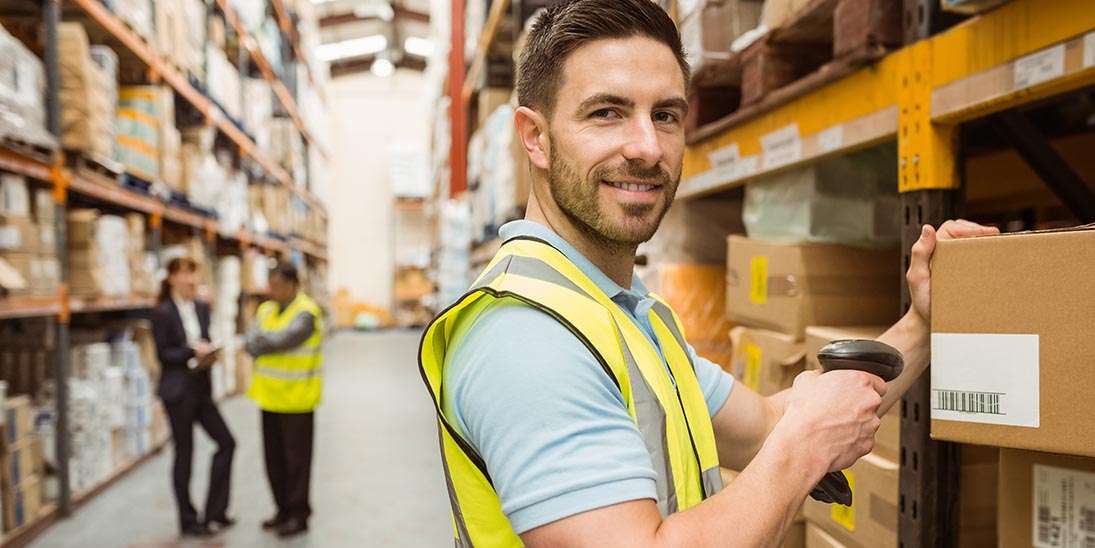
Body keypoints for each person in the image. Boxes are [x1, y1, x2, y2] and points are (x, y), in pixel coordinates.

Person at [418, 1, 1001, 546]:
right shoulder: (528, 339)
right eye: (607, 113)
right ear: (536, 137)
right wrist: (802, 450)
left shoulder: (617, 314)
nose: (646, 147)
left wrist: (920, 323)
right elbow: (788, 442)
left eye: (665, 115)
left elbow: (771, 424)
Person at [151, 256, 236, 538]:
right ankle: (188, 521)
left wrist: (209, 353)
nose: (191, 280)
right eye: (185, 274)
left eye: (193, 274)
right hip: (178, 392)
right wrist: (192, 352)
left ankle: (216, 512)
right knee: (184, 454)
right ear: (172, 278)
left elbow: (204, 338)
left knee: (227, 442)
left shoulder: (201, 307)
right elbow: (165, 354)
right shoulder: (162, 312)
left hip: (201, 388)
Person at [244, 261, 324, 538]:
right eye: (270, 285)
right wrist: (261, 341)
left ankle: (298, 515)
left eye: (278, 285)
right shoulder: (265, 309)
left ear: (293, 285)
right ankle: (282, 510)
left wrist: (262, 342)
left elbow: (283, 341)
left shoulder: (306, 313)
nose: (272, 291)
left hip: (297, 401)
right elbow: (250, 340)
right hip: (268, 398)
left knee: (297, 463)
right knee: (274, 461)